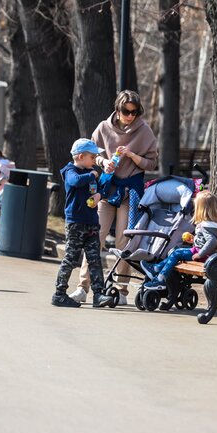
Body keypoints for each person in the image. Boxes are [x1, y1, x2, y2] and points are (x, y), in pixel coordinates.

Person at [69, 90, 159, 306]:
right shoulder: (103, 128)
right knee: (94, 236)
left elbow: (152, 163)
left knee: (124, 239)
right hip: (107, 189)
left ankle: (121, 290)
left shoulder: (144, 131)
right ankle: (83, 287)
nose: (130, 116)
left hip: (131, 192)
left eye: (135, 112)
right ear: (117, 109)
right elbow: (94, 152)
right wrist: (103, 163)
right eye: (126, 111)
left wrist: (132, 155)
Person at [52, 139, 112, 308]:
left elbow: (102, 188)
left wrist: (99, 195)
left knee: (95, 259)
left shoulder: (92, 171)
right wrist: (91, 175)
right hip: (76, 224)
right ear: (80, 156)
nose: (95, 161)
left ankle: (98, 294)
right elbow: (75, 181)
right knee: (70, 258)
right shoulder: (70, 170)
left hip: (92, 222)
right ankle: (59, 293)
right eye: (92, 157)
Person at [141, 191, 217, 290]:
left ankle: (160, 279)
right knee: (176, 250)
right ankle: (157, 269)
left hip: (203, 256)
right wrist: (194, 240)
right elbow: (207, 240)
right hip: (207, 255)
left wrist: (200, 254)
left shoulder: (205, 226)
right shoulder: (215, 224)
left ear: (201, 210)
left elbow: (212, 241)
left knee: (176, 253)